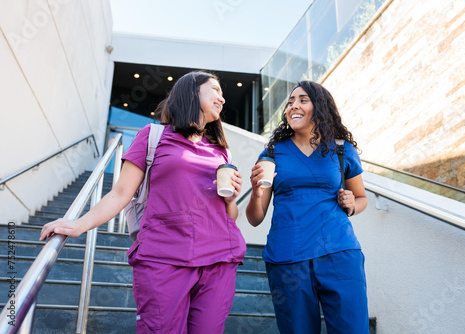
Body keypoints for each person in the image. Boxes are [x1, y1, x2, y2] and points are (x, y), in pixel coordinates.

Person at [40, 71, 247, 333]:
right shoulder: (153, 137)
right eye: (215, 90)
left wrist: (232, 200)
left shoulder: (221, 150)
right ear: (192, 92)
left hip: (219, 256)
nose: (222, 98)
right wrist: (79, 224)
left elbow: (230, 214)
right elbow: (120, 193)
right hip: (164, 255)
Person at [246, 81, 369, 333]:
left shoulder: (342, 150)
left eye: (303, 100)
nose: (294, 106)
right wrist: (256, 192)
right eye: (290, 102)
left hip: (339, 252)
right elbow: (255, 218)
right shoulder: (272, 153)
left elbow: (361, 198)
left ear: (320, 106)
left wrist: (352, 205)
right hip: (287, 258)